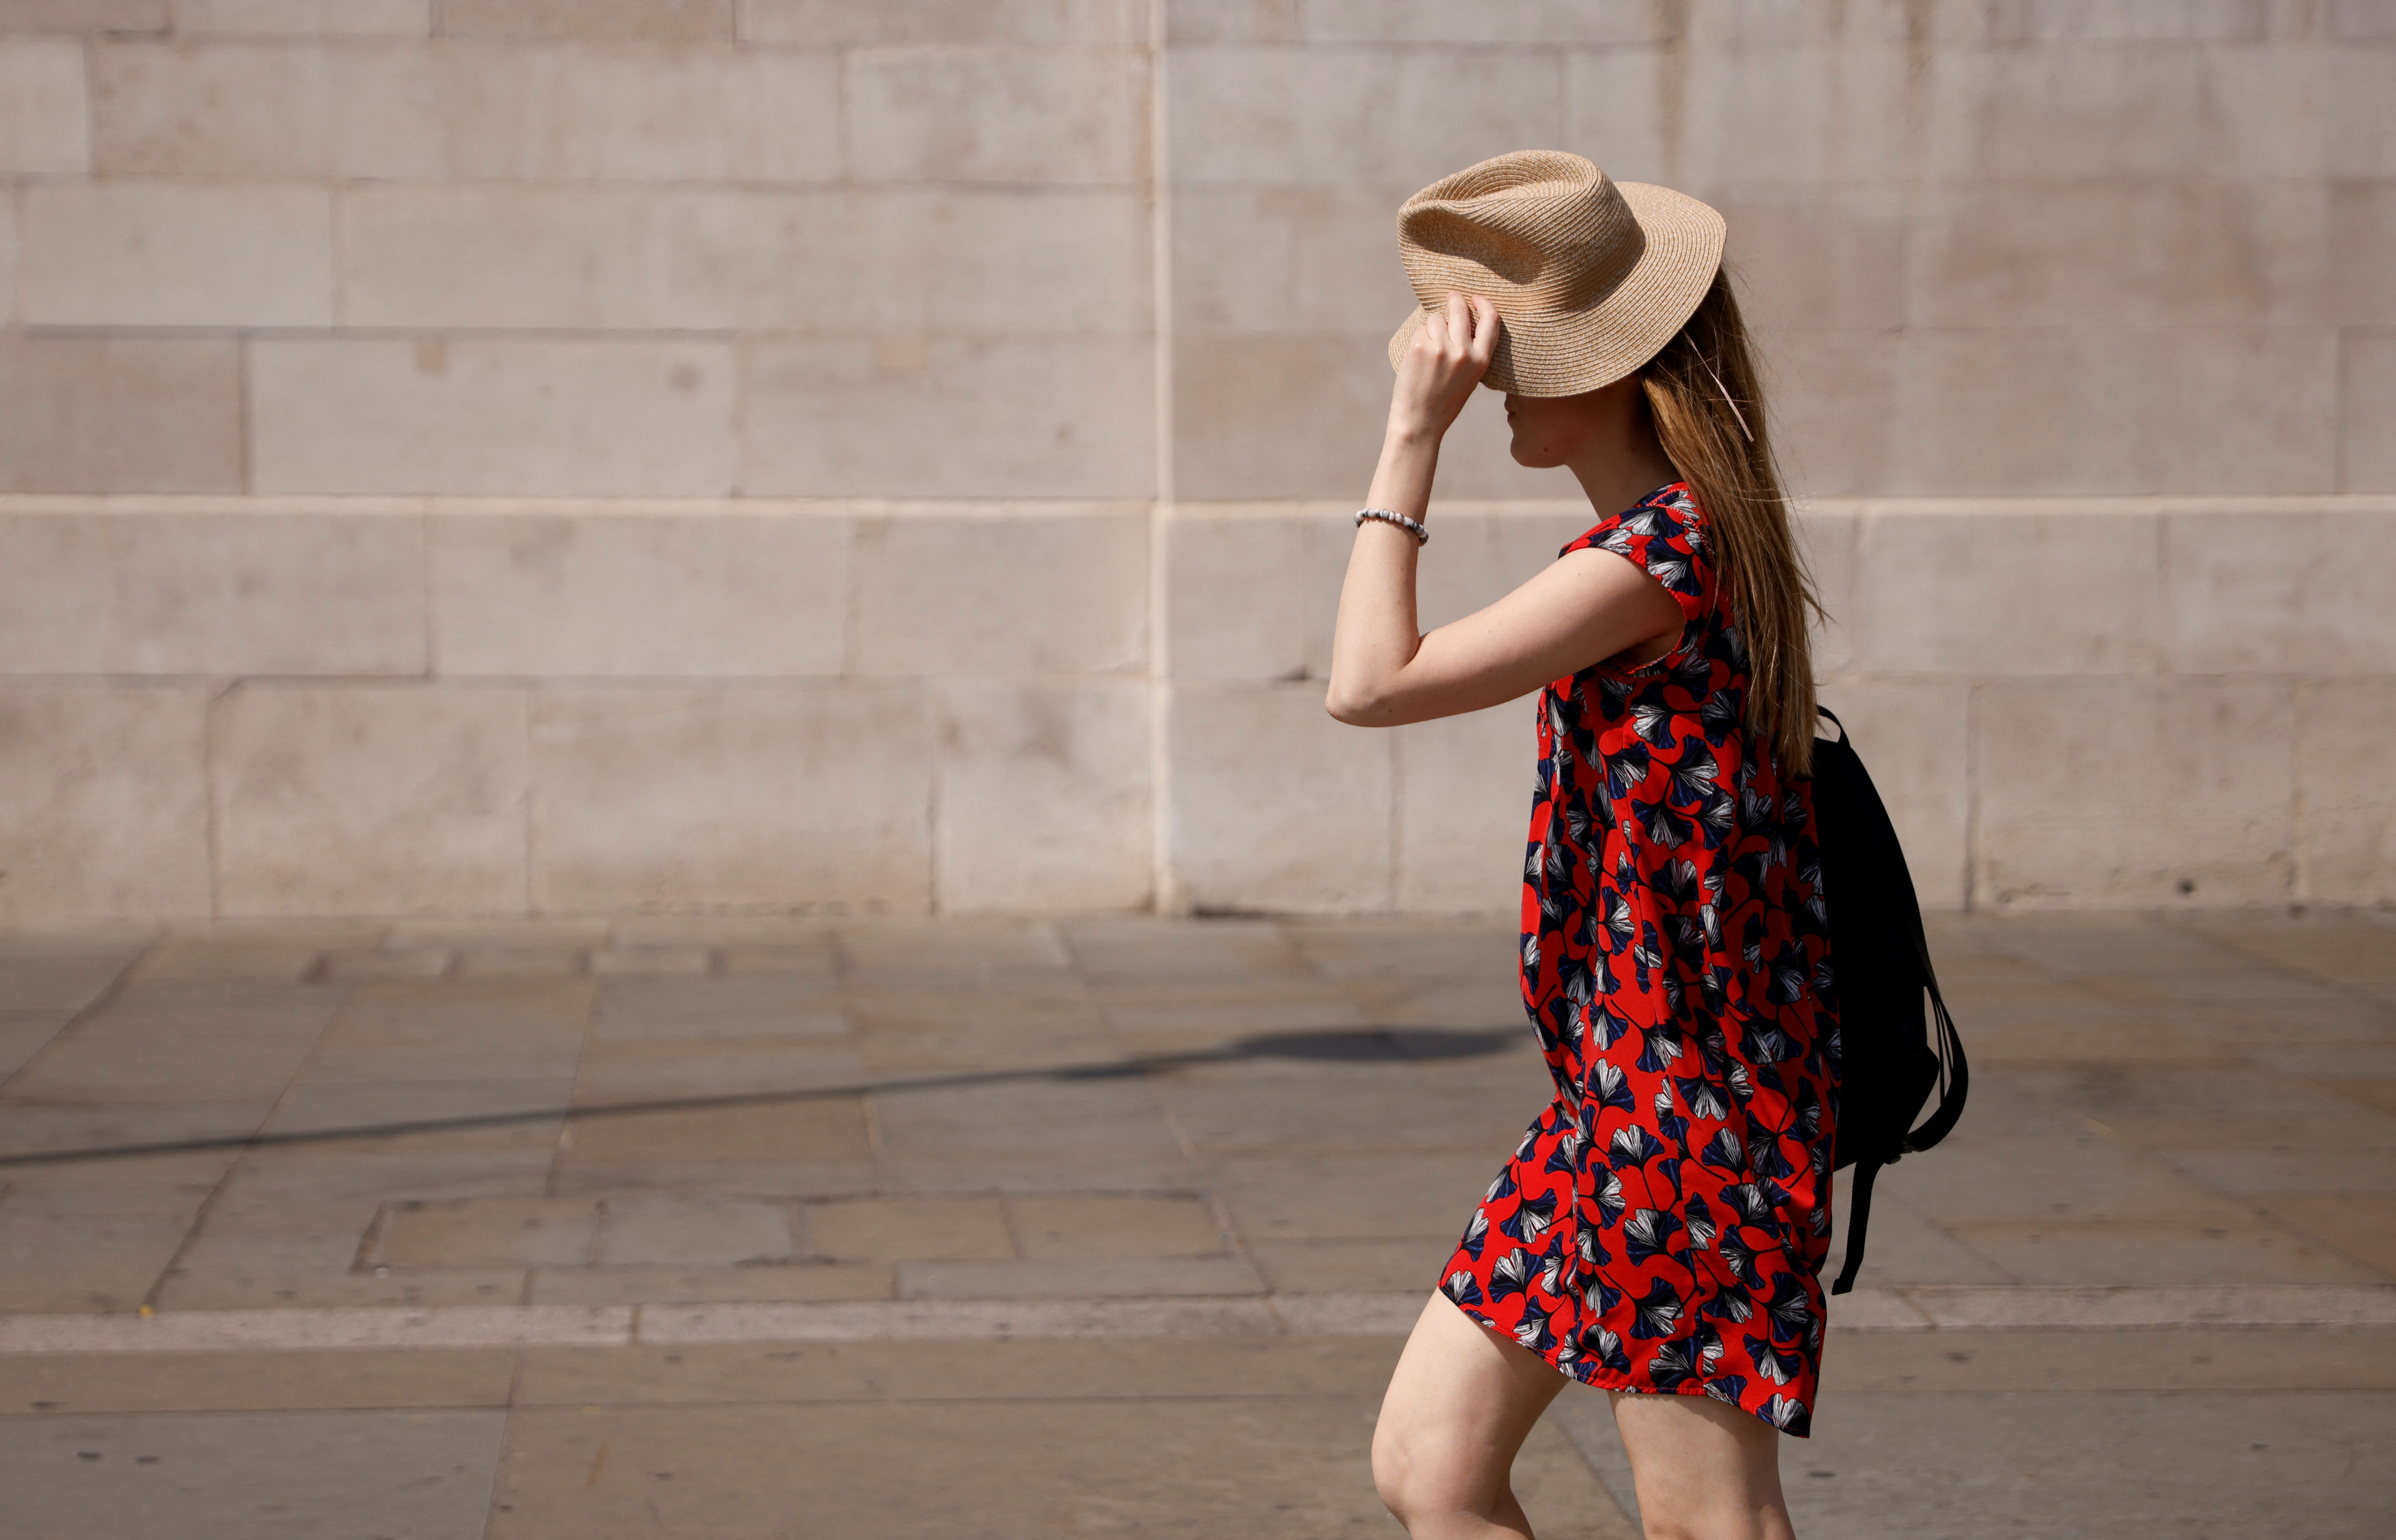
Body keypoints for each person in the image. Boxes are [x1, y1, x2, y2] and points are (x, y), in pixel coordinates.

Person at [1326, 152, 1834, 1540]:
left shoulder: (1660, 558)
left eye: (1523, 360)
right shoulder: (1664, 542)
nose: (1493, 383)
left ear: (1612, 369)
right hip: (1610, 1109)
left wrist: (1406, 439)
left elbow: (1368, 683)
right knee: (1430, 1472)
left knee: (1705, 1524)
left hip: (1694, 1113)